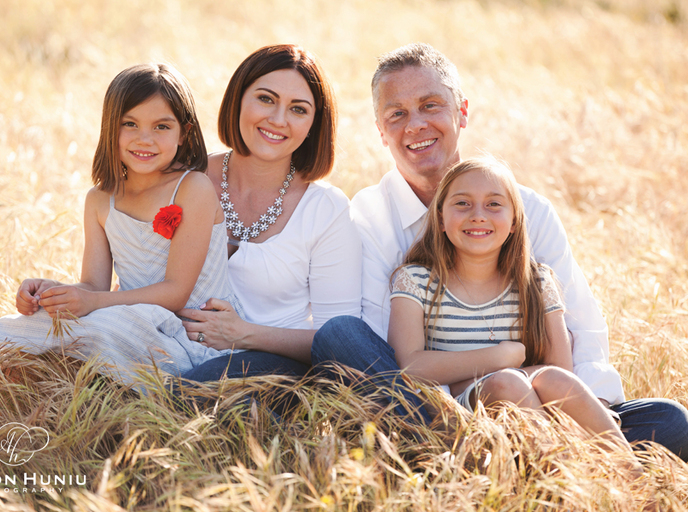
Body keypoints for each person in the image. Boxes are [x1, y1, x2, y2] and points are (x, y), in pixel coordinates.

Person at [311, 42, 688, 460]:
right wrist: (477, 395)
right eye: (396, 114)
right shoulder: (368, 215)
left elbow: (583, 328)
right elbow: (389, 348)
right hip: (433, 411)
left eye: (430, 105)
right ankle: (467, 454)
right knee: (342, 336)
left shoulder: (528, 209)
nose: (415, 124)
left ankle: (543, 458)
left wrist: (580, 411)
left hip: (536, 402)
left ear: (462, 111)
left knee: (670, 420)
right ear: (381, 131)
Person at [0, 63, 244, 385]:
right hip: (129, 317)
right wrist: (52, 293)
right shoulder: (100, 199)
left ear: (184, 133)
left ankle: (108, 382)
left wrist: (93, 302)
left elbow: (175, 293)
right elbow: (93, 286)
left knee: (107, 329)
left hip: (192, 336)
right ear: (110, 129)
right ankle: (57, 390)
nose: (144, 139)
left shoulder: (192, 188)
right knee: (13, 329)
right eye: (130, 124)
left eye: (161, 127)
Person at [389, 157, 632, 454]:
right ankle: (563, 473)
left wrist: (490, 373)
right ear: (440, 219)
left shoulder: (538, 282)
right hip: (458, 419)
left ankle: (629, 473)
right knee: (507, 383)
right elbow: (410, 367)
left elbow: (560, 373)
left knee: (666, 417)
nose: (478, 215)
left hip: (534, 410)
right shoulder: (415, 280)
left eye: (494, 204)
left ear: (515, 221)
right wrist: (500, 357)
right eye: (462, 203)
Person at [173, 44, 362, 382]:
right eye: (265, 99)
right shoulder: (185, 178)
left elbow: (339, 342)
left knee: (195, 387)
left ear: (313, 125)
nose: (278, 120)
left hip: (274, 367)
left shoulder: (325, 209)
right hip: (170, 347)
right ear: (238, 99)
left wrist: (243, 334)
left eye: (298, 109)